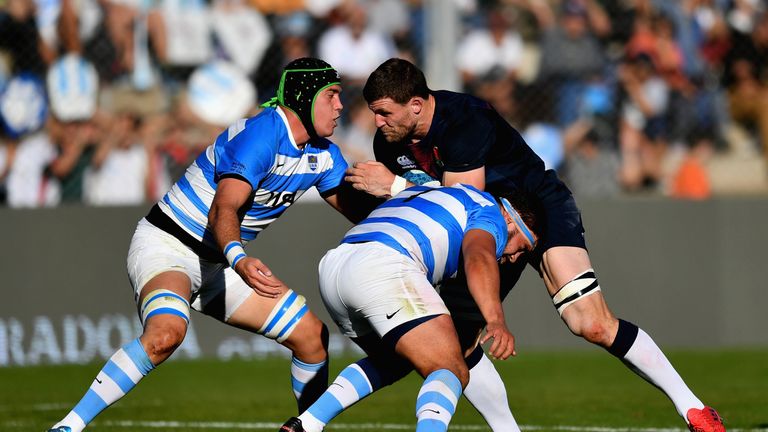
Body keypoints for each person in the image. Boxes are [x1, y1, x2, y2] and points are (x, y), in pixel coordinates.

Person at [343, 58, 725, 432]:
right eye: (374, 113)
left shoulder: (464, 120)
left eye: (383, 113)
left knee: (590, 323)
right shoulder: (390, 143)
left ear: (415, 104)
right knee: (454, 346)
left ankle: (694, 409)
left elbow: (465, 201)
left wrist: (394, 187)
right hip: (482, 231)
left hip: (533, 210)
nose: (377, 123)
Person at [46, 57, 367, 432]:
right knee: (166, 335)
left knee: (311, 337)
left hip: (221, 262)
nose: (340, 106)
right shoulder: (261, 135)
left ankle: (309, 428)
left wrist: (401, 191)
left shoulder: (323, 154)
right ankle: (68, 426)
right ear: (305, 97)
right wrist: (240, 259)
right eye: (331, 96)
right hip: (170, 244)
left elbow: (357, 211)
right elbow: (223, 209)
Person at [279, 183, 539, 432]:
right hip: (384, 265)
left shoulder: (436, 189)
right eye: (522, 247)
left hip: (335, 267)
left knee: (394, 361)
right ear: (510, 218)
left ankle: (307, 423)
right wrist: (495, 319)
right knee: (448, 369)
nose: (515, 258)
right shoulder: (491, 212)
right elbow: (479, 256)